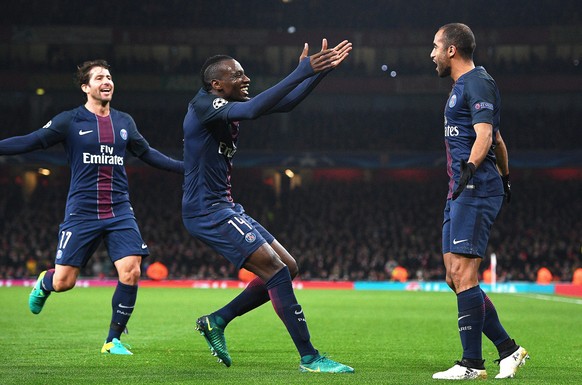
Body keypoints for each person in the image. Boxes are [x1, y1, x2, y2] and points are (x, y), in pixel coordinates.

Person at [182, 38, 354, 373]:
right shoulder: (203, 106)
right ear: (217, 84)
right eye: (238, 76)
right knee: (275, 271)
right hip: (207, 211)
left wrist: (317, 73)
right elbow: (254, 109)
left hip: (225, 206)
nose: (246, 80)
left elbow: (284, 104)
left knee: (288, 267)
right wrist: (300, 70)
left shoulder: (224, 106)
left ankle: (217, 320)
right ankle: (310, 357)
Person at [0, 59, 183, 355]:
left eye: (109, 76)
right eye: (99, 78)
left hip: (119, 209)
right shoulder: (69, 121)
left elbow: (147, 153)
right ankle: (44, 284)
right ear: (86, 87)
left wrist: (184, 168)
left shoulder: (124, 122)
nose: (107, 81)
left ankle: (113, 341)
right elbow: (32, 141)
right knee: (64, 282)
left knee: (131, 270)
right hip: (82, 211)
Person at [429, 23, 529, 380]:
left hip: (474, 188)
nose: (432, 54)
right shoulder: (463, 87)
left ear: (452, 49)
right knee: (453, 277)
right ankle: (509, 349)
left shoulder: (478, 83)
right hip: (460, 189)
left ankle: (471, 363)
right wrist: (505, 175)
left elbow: (486, 135)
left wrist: (474, 169)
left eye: (436, 47)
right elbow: (499, 140)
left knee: (465, 274)